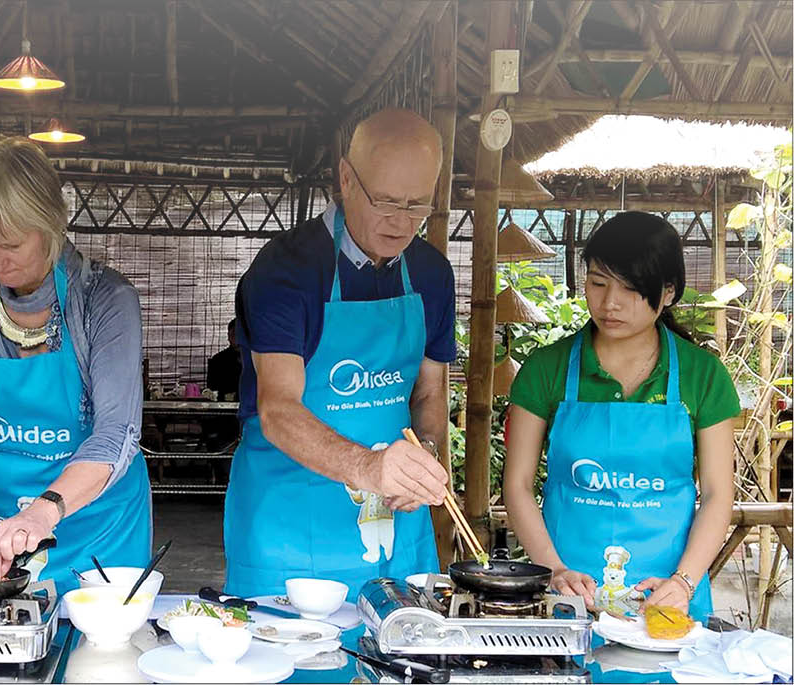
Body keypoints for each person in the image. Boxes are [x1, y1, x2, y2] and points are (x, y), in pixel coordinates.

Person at [224, 108, 453, 599]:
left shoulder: (432, 274)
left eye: (418, 205)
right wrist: (370, 470)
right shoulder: (285, 270)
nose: (401, 222)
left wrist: (427, 460)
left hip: (396, 527)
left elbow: (430, 392)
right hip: (290, 526)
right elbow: (278, 409)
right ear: (346, 179)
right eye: (386, 201)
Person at [0, 137, 151, 590]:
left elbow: (117, 433)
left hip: (98, 534)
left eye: (11, 244)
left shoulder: (105, 301)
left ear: (50, 223)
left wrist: (45, 509)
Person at [504, 211, 738, 621]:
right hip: (567, 592)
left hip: (668, 593)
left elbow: (718, 494)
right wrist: (553, 569)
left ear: (668, 292)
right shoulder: (546, 369)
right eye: (598, 283)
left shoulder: (704, 376)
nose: (609, 302)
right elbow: (518, 484)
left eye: (630, 288)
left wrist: (683, 581)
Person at [206, 319, 242, 402]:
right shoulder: (217, 360)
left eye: (239, 334)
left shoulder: (256, 358)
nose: (237, 338)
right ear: (228, 336)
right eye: (233, 334)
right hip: (225, 405)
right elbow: (212, 391)